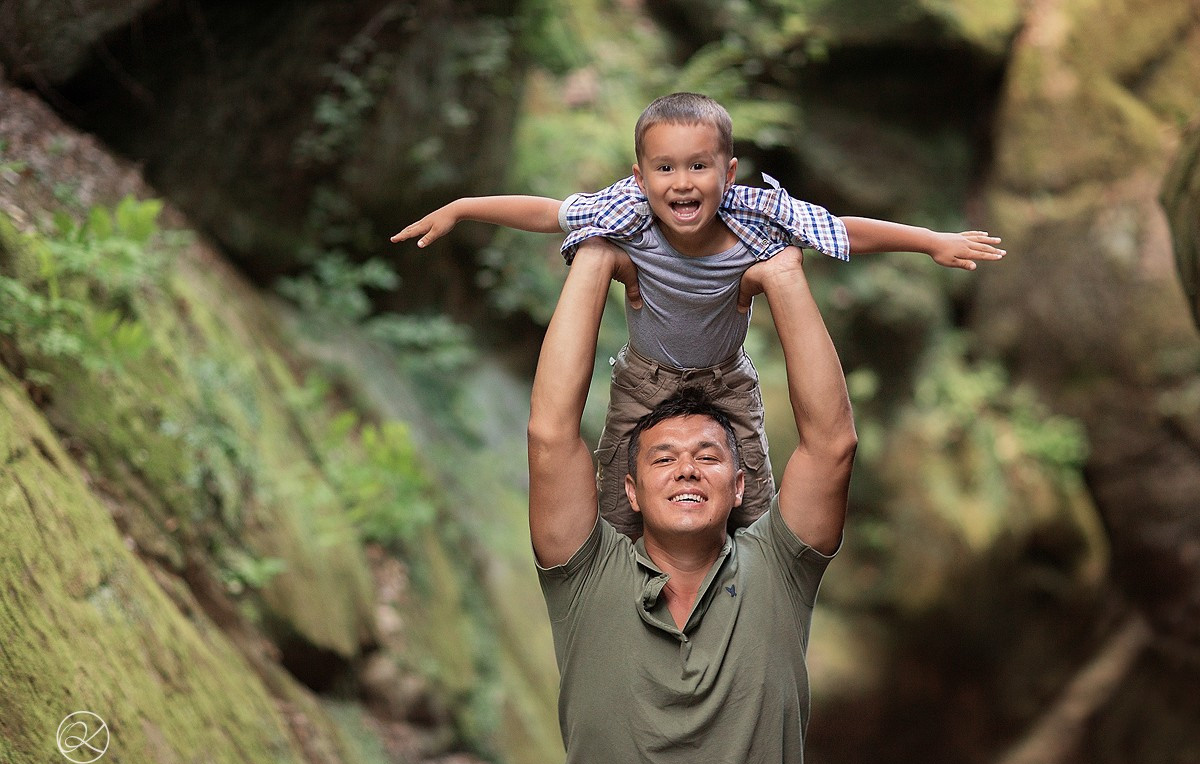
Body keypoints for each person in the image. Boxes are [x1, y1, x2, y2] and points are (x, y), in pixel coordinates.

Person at [394, 92, 1004, 537]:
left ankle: (737, 592)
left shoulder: (755, 218)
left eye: (698, 166)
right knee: (619, 502)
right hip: (645, 379)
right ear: (640, 176)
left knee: (754, 505)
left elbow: (838, 230)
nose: (682, 183)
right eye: (665, 168)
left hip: (725, 383)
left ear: (728, 172)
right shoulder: (624, 213)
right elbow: (546, 212)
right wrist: (463, 207)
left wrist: (930, 241)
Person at [528, 238, 853, 764]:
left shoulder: (778, 569)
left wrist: (784, 278)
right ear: (628, 491)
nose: (686, 470)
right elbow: (550, 436)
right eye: (662, 458)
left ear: (740, 485)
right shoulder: (586, 577)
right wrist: (595, 258)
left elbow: (832, 444)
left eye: (707, 457)